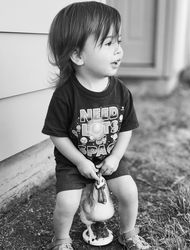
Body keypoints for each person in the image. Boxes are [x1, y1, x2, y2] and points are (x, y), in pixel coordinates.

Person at [42, 1, 150, 249]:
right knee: (67, 203)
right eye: (109, 43)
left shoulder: (121, 92)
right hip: (73, 162)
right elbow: (56, 134)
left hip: (109, 159)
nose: (119, 50)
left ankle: (128, 232)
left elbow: (126, 128)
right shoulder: (66, 95)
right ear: (78, 55)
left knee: (129, 192)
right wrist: (80, 162)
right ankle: (61, 240)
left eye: (119, 41)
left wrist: (115, 158)